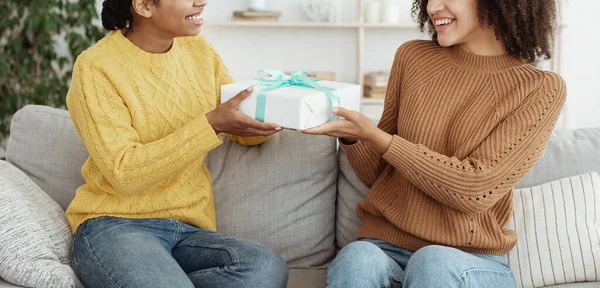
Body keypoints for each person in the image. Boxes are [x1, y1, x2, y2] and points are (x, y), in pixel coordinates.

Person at [303, 0, 565, 287]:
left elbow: (477, 190)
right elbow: (381, 175)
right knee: (357, 258)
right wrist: (355, 136)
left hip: (469, 259)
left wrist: (380, 138)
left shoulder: (540, 88)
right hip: (385, 247)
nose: (433, 6)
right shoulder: (412, 58)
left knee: (433, 262)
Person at [65, 0, 288, 287]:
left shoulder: (200, 52)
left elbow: (240, 128)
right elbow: (124, 173)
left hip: (189, 231)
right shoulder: (96, 67)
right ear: (144, 5)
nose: (202, 1)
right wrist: (210, 124)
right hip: (114, 225)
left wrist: (276, 115)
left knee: (266, 268)